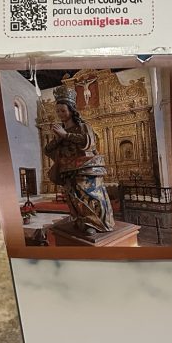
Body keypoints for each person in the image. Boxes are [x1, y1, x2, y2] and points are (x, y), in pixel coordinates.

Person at [45, 84, 115, 235]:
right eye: (58, 111)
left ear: (71, 110)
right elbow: (48, 150)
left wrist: (66, 135)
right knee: (73, 198)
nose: (60, 114)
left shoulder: (83, 126)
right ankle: (81, 220)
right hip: (67, 170)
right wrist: (58, 138)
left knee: (90, 196)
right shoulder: (60, 131)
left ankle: (96, 223)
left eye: (63, 110)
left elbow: (89, 142)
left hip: (86, 169)